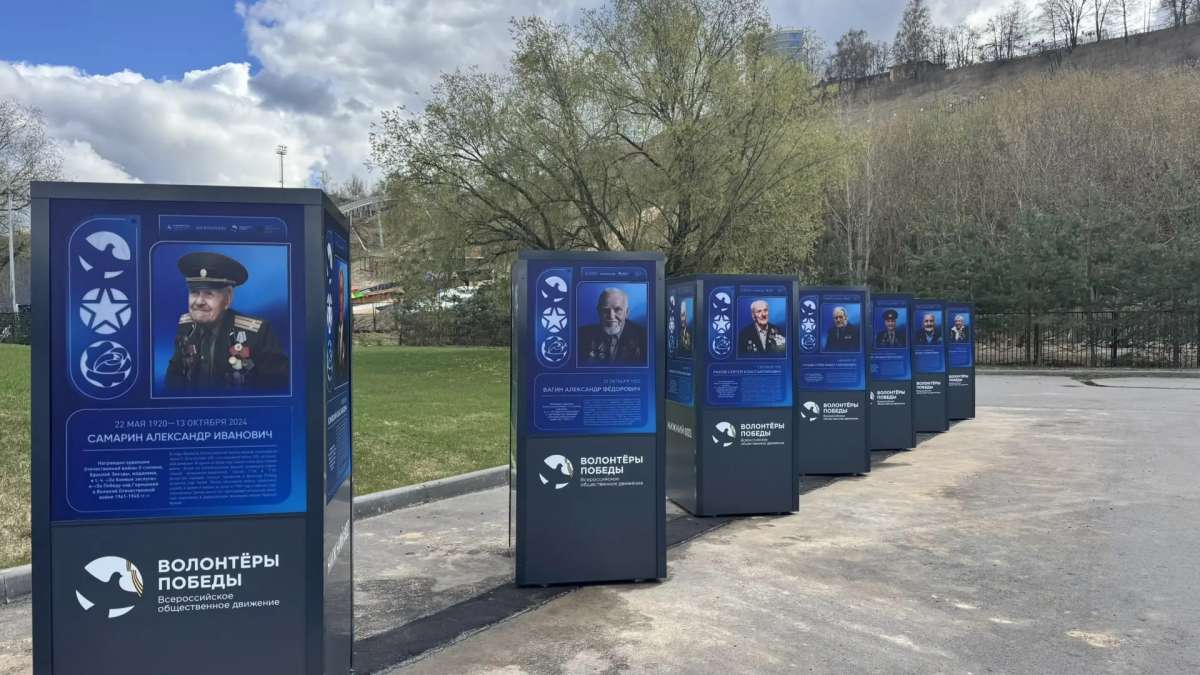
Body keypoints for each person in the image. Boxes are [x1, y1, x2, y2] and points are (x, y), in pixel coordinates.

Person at [166, 251, 289, 392]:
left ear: (228, 298)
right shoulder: (186, 326)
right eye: (194, 292)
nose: (199, 301)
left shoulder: (257, 333)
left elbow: (277, 388)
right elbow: (174, 377)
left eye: (209, 293)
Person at [578, 287, 647, 365]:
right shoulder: (581, 336)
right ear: (599, 311)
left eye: (617, 310)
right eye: (605, 310)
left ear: (627, 313)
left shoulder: (644, 337)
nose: (611, 316)